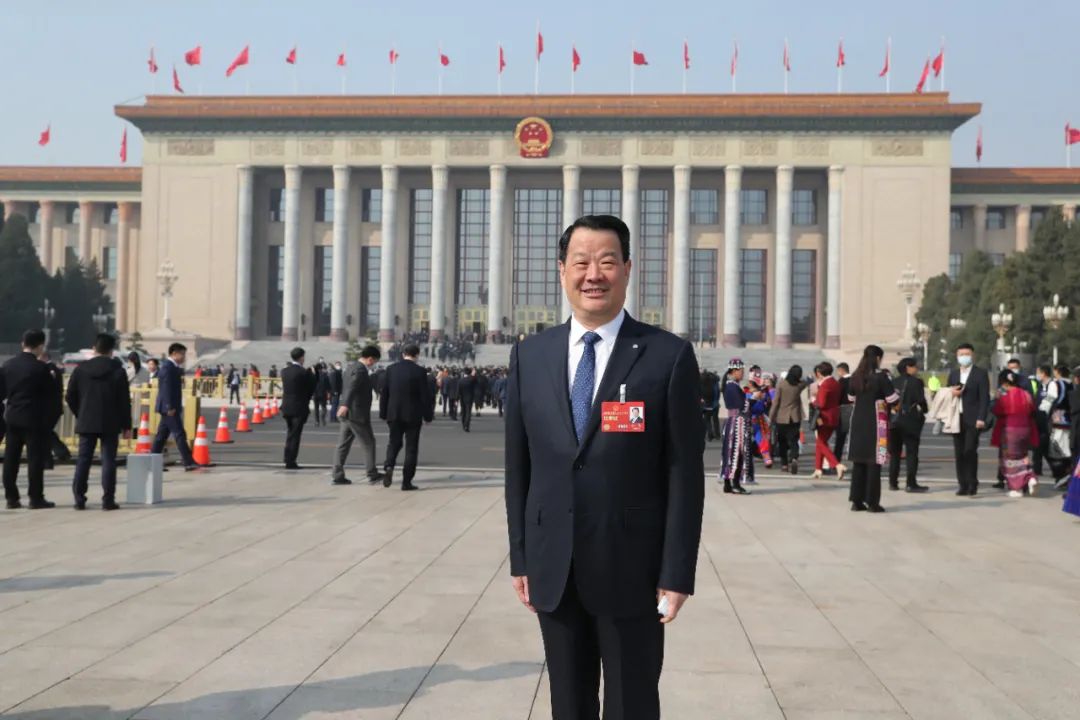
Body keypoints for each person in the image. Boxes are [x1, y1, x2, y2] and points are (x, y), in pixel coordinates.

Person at [505, 214, 704, 720]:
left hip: (633, 569)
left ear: (628, 269)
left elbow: (684, 474)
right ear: (562, 271)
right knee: (567, 704)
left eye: (607, 262)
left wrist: (677, 572)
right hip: (555, 567)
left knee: (631, 704)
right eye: (581, 262)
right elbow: (518, 467)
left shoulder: (667, 356)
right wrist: (521, 557)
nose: (593, 274)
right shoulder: (531, 354)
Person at [66, 333, 132, 510]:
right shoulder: (118, 370)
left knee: (83, 459)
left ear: (94, 349)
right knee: (109, 460)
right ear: (112, 351)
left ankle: (79, 499)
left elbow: (70, 395)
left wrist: (81, 413)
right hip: (110, 421)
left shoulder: (81, 369)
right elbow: (124, 401)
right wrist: (126, 425)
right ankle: (108, 500)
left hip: (87, 420)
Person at [2, 329, 62, 509]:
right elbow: (51, 396)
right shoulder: (41, 368)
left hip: (12, 416)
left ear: (23, 344)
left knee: (10, 459)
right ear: (40, 346)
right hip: (34, 418)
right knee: (35, 459)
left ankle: (11, 498)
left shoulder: (8, 365)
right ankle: (35, 498)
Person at [846, 345, 898, 513]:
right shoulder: (881, 377)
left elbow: (850, 397)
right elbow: (892, 399)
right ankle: (873, 502)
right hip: (876, 422)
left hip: (858, 422)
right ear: (877, 358)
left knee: (859, 462)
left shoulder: (855, 376)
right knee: (875, 462)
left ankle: (856, 501)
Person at [379, 343, 433, 490]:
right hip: (413, 414)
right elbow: (425, 396)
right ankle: (406, 481)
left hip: (394, 413)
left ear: (403, 354)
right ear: (417, 355)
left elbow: (385, 393)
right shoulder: (420, 371)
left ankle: (389, 465)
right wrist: (428, 416)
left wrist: (383, 413)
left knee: (394, 442)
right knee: (411, 447)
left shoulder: (391, 369)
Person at [331, 345, 386, 485]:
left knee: (343, 445)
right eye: (374, 361)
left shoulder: (350, 367)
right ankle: (372, 473)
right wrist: (345, 404)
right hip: (357, 413)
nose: (373, 364)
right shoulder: (360, 370)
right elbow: (352, 387)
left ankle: (337, 475)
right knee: (369, 443)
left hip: (349, 413)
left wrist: (344, 405)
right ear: (370, 359)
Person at [946, 343, 991, 496]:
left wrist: (981, 417)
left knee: (969, 450)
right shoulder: (953, 374)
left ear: (972, 355)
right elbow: (946, 393)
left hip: (973, 419)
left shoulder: (980, 374)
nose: (964, 357)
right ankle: (962, 484)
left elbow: (984, 398)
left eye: (967, 354)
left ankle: (972, 483)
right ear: (957, 356)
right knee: (959, 453)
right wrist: (951, 392)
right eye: (961, 354)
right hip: (956, 418)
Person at [991, 369, 1040, 498]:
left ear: (1004, 383)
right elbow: (1032, 409)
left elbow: (997, 411)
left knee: (1010, 459)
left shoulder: (1004, 396)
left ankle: (1016, 488)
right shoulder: (1026, 395)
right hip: (1025, 429)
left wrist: (996, 399)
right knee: (1023, 456)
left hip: (1010, 430)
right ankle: (1030, 478)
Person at [150, 342, 199, 471]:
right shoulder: (168, 367)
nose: (184, 357)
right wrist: (169, 406)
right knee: (179, 433)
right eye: (182, 354)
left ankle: (152, 462)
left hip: (169, 407)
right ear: (174, 353)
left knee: (161, 437)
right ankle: (188, 462)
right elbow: (166, 389)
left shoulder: (172, 367)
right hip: (169, 408)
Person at [887, 358, 929, 493]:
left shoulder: (893, 382)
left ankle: (893, 482)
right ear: (908, 367)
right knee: (911, 453)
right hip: (910, 421)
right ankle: (911, 483)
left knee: (895, 453)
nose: (916, 369)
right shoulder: (916, 382)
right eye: (915, 366)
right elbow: (921, 400)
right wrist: (925, 410)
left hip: (894, 421)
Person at [769, 364, 810, 475]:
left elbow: (776, 402)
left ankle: (784, 464)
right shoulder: (799, 385)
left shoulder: (781, 384)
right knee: (794, 440)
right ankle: (794, 458)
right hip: (795, 417)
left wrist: (771, 417)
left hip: (781, 417)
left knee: (782, 441)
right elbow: (806, 382)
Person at [280, 347, 317, 470]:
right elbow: (311, 388)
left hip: (286, 406)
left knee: (290, 433)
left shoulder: (284, 371)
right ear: (301, 357)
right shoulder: (303, 372)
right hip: (299, 407)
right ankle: (290, 461)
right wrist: (313, 374)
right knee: (295, 435)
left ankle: (287, 458)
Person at [811, 362, 847, 481]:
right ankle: (818, 469)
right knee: (821, 442)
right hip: (834, 416)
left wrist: (813, 400)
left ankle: (836, 464)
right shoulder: (835, 383)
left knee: (821, 442)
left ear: (819, 373)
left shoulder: (825, 384)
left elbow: (821, 403)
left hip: (824, 417)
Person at [832, 362, 852, 466]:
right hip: (855, 409)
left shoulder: (841, 382)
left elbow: (837, 397)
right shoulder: (855, 380)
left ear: (841, 370)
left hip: (843, 410)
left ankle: (836, 460)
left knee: (840, 438)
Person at [458, 367, 476, 432]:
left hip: (462, 398)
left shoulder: (460, 380)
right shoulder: (471, 379)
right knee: (468, 412)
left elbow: (458, 390)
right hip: (469, 397)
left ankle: (463, 424)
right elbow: (475, 380)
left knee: (463, 411)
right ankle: (466, 426)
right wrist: (473, 373)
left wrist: (456, 399)